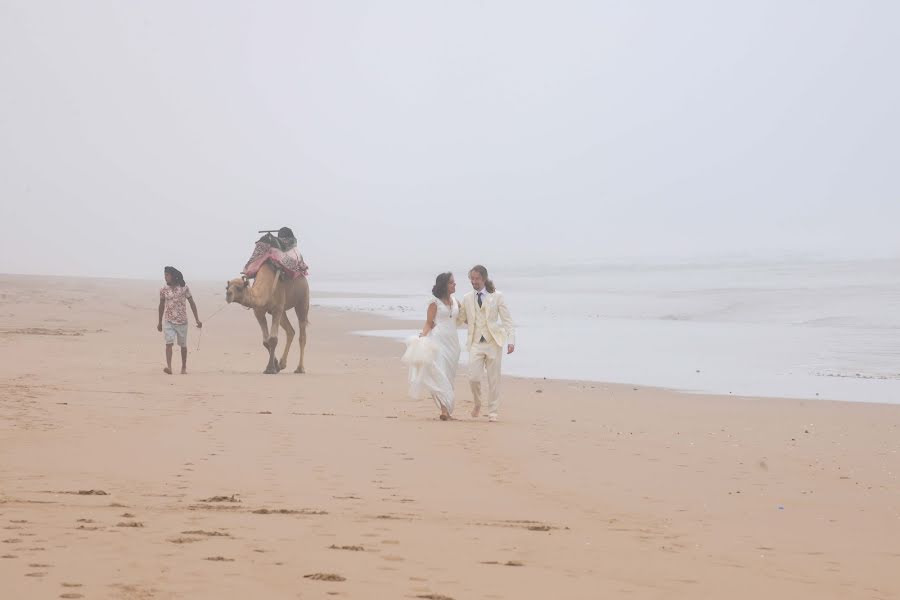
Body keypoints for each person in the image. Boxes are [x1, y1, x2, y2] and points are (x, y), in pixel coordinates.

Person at [457, 265, 515, 422]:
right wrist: (449, 308)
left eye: (476, 279)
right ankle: (477, 403)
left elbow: (507, 320)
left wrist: (511, 341)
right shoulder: (467, 298)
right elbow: (459, 319)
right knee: (473, 378)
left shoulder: (497, 296)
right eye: (472, 279)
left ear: (484, 279)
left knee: (493, 379)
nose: (474, 282)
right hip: (475, 342)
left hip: (493, 342)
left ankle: (493, 412)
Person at [402, 272, 460, 420]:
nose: (455, 284)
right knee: (440, 372)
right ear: (444, 285)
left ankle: (446, 407)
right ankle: (444, 410)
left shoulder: (455, 301)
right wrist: (423, 335)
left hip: (453, 342)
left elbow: (462, 317)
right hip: (438, 341)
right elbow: (429, 322)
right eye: (451, 282)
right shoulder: (434, 302)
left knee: (450, 374)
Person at [157, 266, 202, 374]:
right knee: (168, 343)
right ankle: (169, 367)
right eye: (165, 275)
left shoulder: (184, 288)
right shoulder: (163, 290)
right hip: (169, 320)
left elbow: (192, 303)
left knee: (183, 345)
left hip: (182, 321)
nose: (165, 277)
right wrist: (159, 322)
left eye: (167, 275)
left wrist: (197, 319)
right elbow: (161, 305)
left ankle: (183, 367)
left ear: (173, 276)